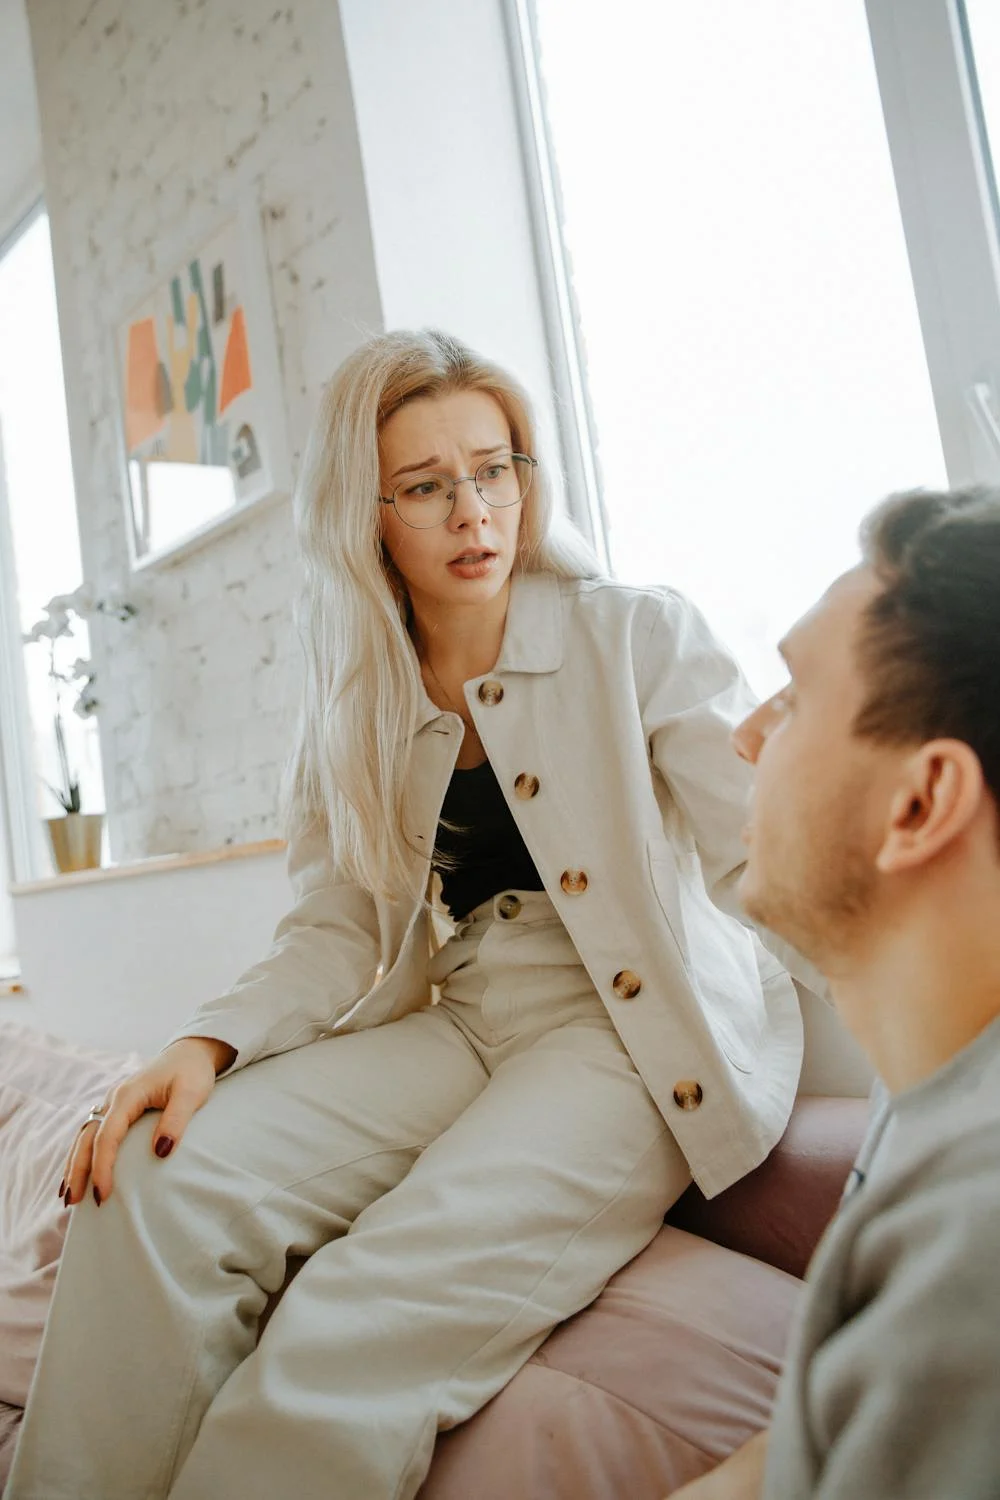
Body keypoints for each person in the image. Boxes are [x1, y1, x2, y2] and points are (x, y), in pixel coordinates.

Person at [9, 329, 808, 1500]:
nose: (474, 512)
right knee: (155, 1179)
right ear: (364, 513)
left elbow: (762, 859)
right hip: (470, 1010)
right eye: (427, 488)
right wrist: (204, 1044)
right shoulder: (354, 699)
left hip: (630, 1034)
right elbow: (336, 925)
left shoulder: (635, 632)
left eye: (495, 470)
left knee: (356, 1315)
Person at [673, 485, 1000, 1500]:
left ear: (920, 802)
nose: (744, 740)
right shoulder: (932, 1092)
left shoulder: (972, 1239)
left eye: (795, 700)